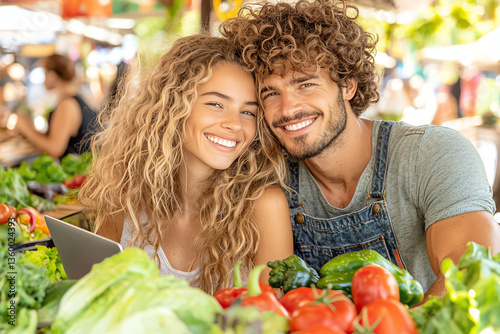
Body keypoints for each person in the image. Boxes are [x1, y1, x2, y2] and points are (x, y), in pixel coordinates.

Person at [220, 0, 500, 301]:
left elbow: (471, 277)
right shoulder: (267, 176)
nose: (287, 109)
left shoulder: (433, 154)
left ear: (348, 85)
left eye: (305, 85)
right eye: (271, 93)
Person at [78, 34, 293, 295]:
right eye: (216, 104)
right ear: (172, 107)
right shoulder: (124, 196)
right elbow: (95, 297)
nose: (235, 124)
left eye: (248, 112)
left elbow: (272, 319)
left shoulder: (264, 207)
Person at [11, 54, 96, 159]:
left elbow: (55, 149)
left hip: (77, 172)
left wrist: (26, 128)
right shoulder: (75, 98)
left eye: (44, 73)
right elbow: (52, 139)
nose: (43, 80)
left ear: (52, 75)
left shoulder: (67, 104)